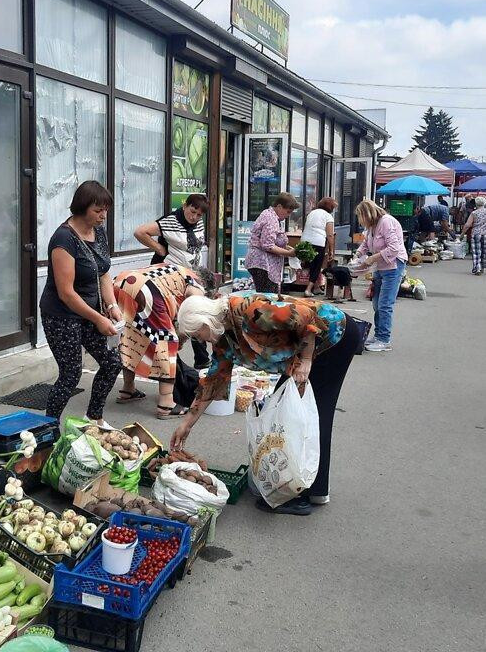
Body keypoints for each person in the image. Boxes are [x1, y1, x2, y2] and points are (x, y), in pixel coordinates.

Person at [170, 292, 359, 515]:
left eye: (197, 333)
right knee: (287, 412)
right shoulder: (224, 336)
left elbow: (306, 316)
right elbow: (214, 379)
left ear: (205, 321)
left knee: (312, 415)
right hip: (308, 350)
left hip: (331, 341)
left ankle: (302, 495)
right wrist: (188, 423)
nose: (199, 340)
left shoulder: (250, 313)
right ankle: (301, 485)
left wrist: (306, 359)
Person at [40, 180, 122, 423]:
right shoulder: (63, 239)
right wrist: (98, 319)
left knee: (112, 363)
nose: (103, 216)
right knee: (70, 374)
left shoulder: (99, 232)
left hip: (90, 312)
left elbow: (103, 271)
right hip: (61, 316)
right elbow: (66, 293)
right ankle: (49, 428)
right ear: (82, 208)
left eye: (105, 210)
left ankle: (93, 418)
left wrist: (112, 305)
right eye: (98, 211)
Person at [113, 264, 208, 419]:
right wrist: (182, 338)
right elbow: (193, 306)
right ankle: (166, 403)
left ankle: (128, 389)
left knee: (129, 337)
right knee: (167, 341)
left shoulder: (176, 270)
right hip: (145, 290)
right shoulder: (196, 281)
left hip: (119, 282)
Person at [133, 193, 211, 366]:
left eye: (199, 215)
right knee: (175, 314)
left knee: (196, 310)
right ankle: (170, 361)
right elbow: (140, 232)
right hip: (168, 274)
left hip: (190, 274)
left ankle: (201, 358)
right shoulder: (170, 221)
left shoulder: (198, 223)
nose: (195, 217)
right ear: (185, 206)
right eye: (192, 211)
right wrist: (160, 249)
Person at [354, 199, 408, 353]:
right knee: (376, 303)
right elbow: (365, 244)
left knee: (385, 304)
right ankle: (379, 336)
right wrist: (358, 254)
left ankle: (384, 339)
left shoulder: (386, 222)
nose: (359, 220)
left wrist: (372, 258)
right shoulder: (371, 226)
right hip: (381, 266)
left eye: (360, 216)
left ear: (367, 214)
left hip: (393, 265)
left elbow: (394, 248)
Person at [244, 193, 298, 293]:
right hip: (263, 264)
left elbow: (274, 241)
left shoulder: (270, 215)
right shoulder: (270, 219)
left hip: (262, 263)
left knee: (267, 296)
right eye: (288, 212)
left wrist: (287, 248)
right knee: (268, 298)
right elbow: (267, 245)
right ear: (279, 206)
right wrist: (289, 253)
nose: (288, 215)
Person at [301, 197, 337, 297]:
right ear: (330, 207)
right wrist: (331, 250)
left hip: (305, 241)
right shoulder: (328, 216)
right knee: (317, 266)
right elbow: (330, 235)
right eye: (333, 207)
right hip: (318, 242)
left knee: (310, 265)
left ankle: (316, 287)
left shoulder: (311, 213)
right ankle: (308, 290)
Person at [461, 196, 486, 276]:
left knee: (476, 252)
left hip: (476, 234)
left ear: (476, 204)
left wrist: (462, 234)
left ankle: (477, 268)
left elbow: (467, 225)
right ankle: (482, 268)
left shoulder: (474, 213)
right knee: (484, 252)